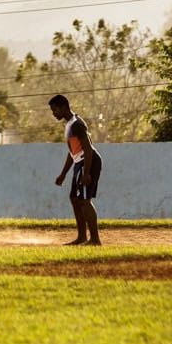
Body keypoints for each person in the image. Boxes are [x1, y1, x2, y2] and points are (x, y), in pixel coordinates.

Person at [49, 94, 101, 246]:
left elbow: (88, 148)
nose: (53, 113)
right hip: (80, 162)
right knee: (74, 199)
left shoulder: (77, 124)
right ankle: (81, 237)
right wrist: (63, 174)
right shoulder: (69, 125)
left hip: (88, 162)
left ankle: (95, 240)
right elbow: (73, 152)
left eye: (55, 109)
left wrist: (86, 172)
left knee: (84, 200)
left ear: (64, 106)